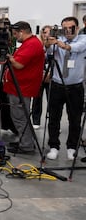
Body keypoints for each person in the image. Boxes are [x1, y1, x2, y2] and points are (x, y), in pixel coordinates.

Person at [43, 16, 86, 160]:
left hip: (75, 87)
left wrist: (59, 43)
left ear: (77, 28)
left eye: (71, 28)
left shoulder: (83, 39)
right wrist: (48, 44)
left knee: (74, 119)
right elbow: (48, 53)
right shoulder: (57, 40)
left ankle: (72, 147)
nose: (68, 31)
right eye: (65, 28)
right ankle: (54, 146)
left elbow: (73, 48)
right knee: (54, 117)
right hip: (57, 84)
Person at [2, 22, 45, 154]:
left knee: (20, 117)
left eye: (15, 34)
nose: (15, 37)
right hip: (19, 86)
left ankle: (26, 144)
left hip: (22, 88)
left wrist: (9, 57)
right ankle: (24, 141)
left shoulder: (32, 44)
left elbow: (19, 64)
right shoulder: (30, 43)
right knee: (20, 116)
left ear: (22, 31)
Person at [30, 25, 52, 128]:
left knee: (52, 100)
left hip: (51, 76)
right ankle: (36, 121)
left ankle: (53, 123)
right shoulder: (37, 44)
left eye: (47, 32)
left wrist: (50, 73)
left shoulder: (54, 46)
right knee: (37, 99)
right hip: (39, 75)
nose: (45, 34)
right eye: (44, 32)